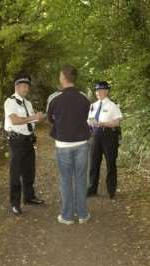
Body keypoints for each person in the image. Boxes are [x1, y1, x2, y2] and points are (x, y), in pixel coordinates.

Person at [47, 65, 91, 225]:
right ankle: (82, 214)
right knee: (80, 179)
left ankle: (66, 216)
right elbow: (89, 117)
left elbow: (50, 118)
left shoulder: (54, 98)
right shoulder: (84, 97)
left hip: (63, 145)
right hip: (82, 144)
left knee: (65, 180)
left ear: (63, 77)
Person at [4, 73, 45, 215]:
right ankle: (15, 203)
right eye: (22, 85)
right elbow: (15, 121)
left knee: (29, 170)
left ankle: (29, 197)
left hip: (28, 140)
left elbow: (31, 120)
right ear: (16, 86)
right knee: (16, 173)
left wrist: (38, 118)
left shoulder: (28, 103)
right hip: (16, 141)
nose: (25, 88)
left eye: (27, 86)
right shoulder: (10, 102)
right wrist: (33, 117)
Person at [87, 81, 123, 199]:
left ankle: (111, 190)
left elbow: (117, 122)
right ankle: (92, 188)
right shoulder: (93, 105)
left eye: (101, 90)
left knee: (110, 163)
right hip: (95, 136)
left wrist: (103, 123)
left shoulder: (113, 105)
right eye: (97, 90)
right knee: (93, 163)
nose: (98, 92)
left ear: (106, 91)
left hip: (109, 136)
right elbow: (89, 120)